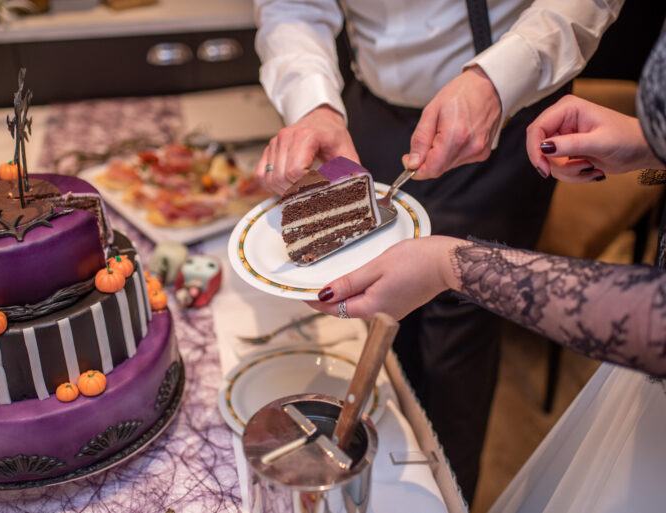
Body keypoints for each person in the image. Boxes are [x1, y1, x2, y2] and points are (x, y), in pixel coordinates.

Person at [252, 0, 623, 499]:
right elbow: (291, 6)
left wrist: (499, 77)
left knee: (459, 344)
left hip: (503, 116)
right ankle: (385, 491)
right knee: (385, 333)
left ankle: (447, 497)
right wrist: (311, 101)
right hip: (369, 121)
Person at [310, 29, 666, 379]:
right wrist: (646, 144)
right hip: (373, 105)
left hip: (508, 128)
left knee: (459, 354)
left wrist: (445, 266)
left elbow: (653, 319)